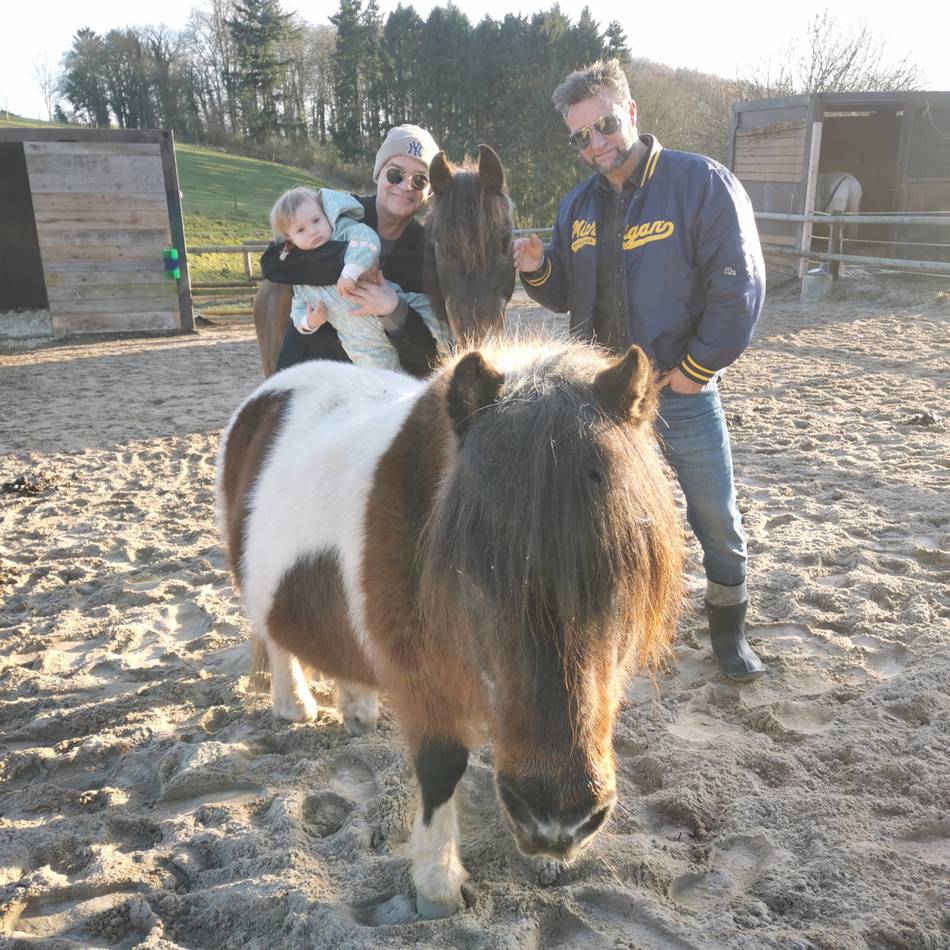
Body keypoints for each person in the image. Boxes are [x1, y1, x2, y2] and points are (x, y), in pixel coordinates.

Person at [513, 59, 766, 681]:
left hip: (679, 390)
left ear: (630, 111)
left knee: (714, 516)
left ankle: (728, 636)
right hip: (600, 401)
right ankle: (617, 627)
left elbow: (740, 287)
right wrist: (537, 266)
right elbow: (563, 293)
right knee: (603, 520)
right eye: (580, 136)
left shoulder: (700, 182)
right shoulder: (577, 205)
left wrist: (694, 371)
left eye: (602, 124)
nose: (595, 143)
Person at [260, 124, 442, 378]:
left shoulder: (426, 255)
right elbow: (274, 261)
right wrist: (353, 262)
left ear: (429, 191)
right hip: (310, 369)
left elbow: (427, 349)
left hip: (374, 388)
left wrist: (394, 309)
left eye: (419, 179)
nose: (405, 186)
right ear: (378, 174)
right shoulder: (338, 211)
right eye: (395, 174)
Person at [268, 185, 450, 370]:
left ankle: (451, 350)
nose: (313, 231)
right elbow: (297, 306)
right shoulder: (299, 277)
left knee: (431, 312)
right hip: (359, 340)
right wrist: (309, 322)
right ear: (289, 241)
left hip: (395, 303)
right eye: (301, 230)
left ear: (326, 215)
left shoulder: (343, 229)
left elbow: (366, 240)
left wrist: (351, 272)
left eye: (316, 220)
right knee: (382, 379)